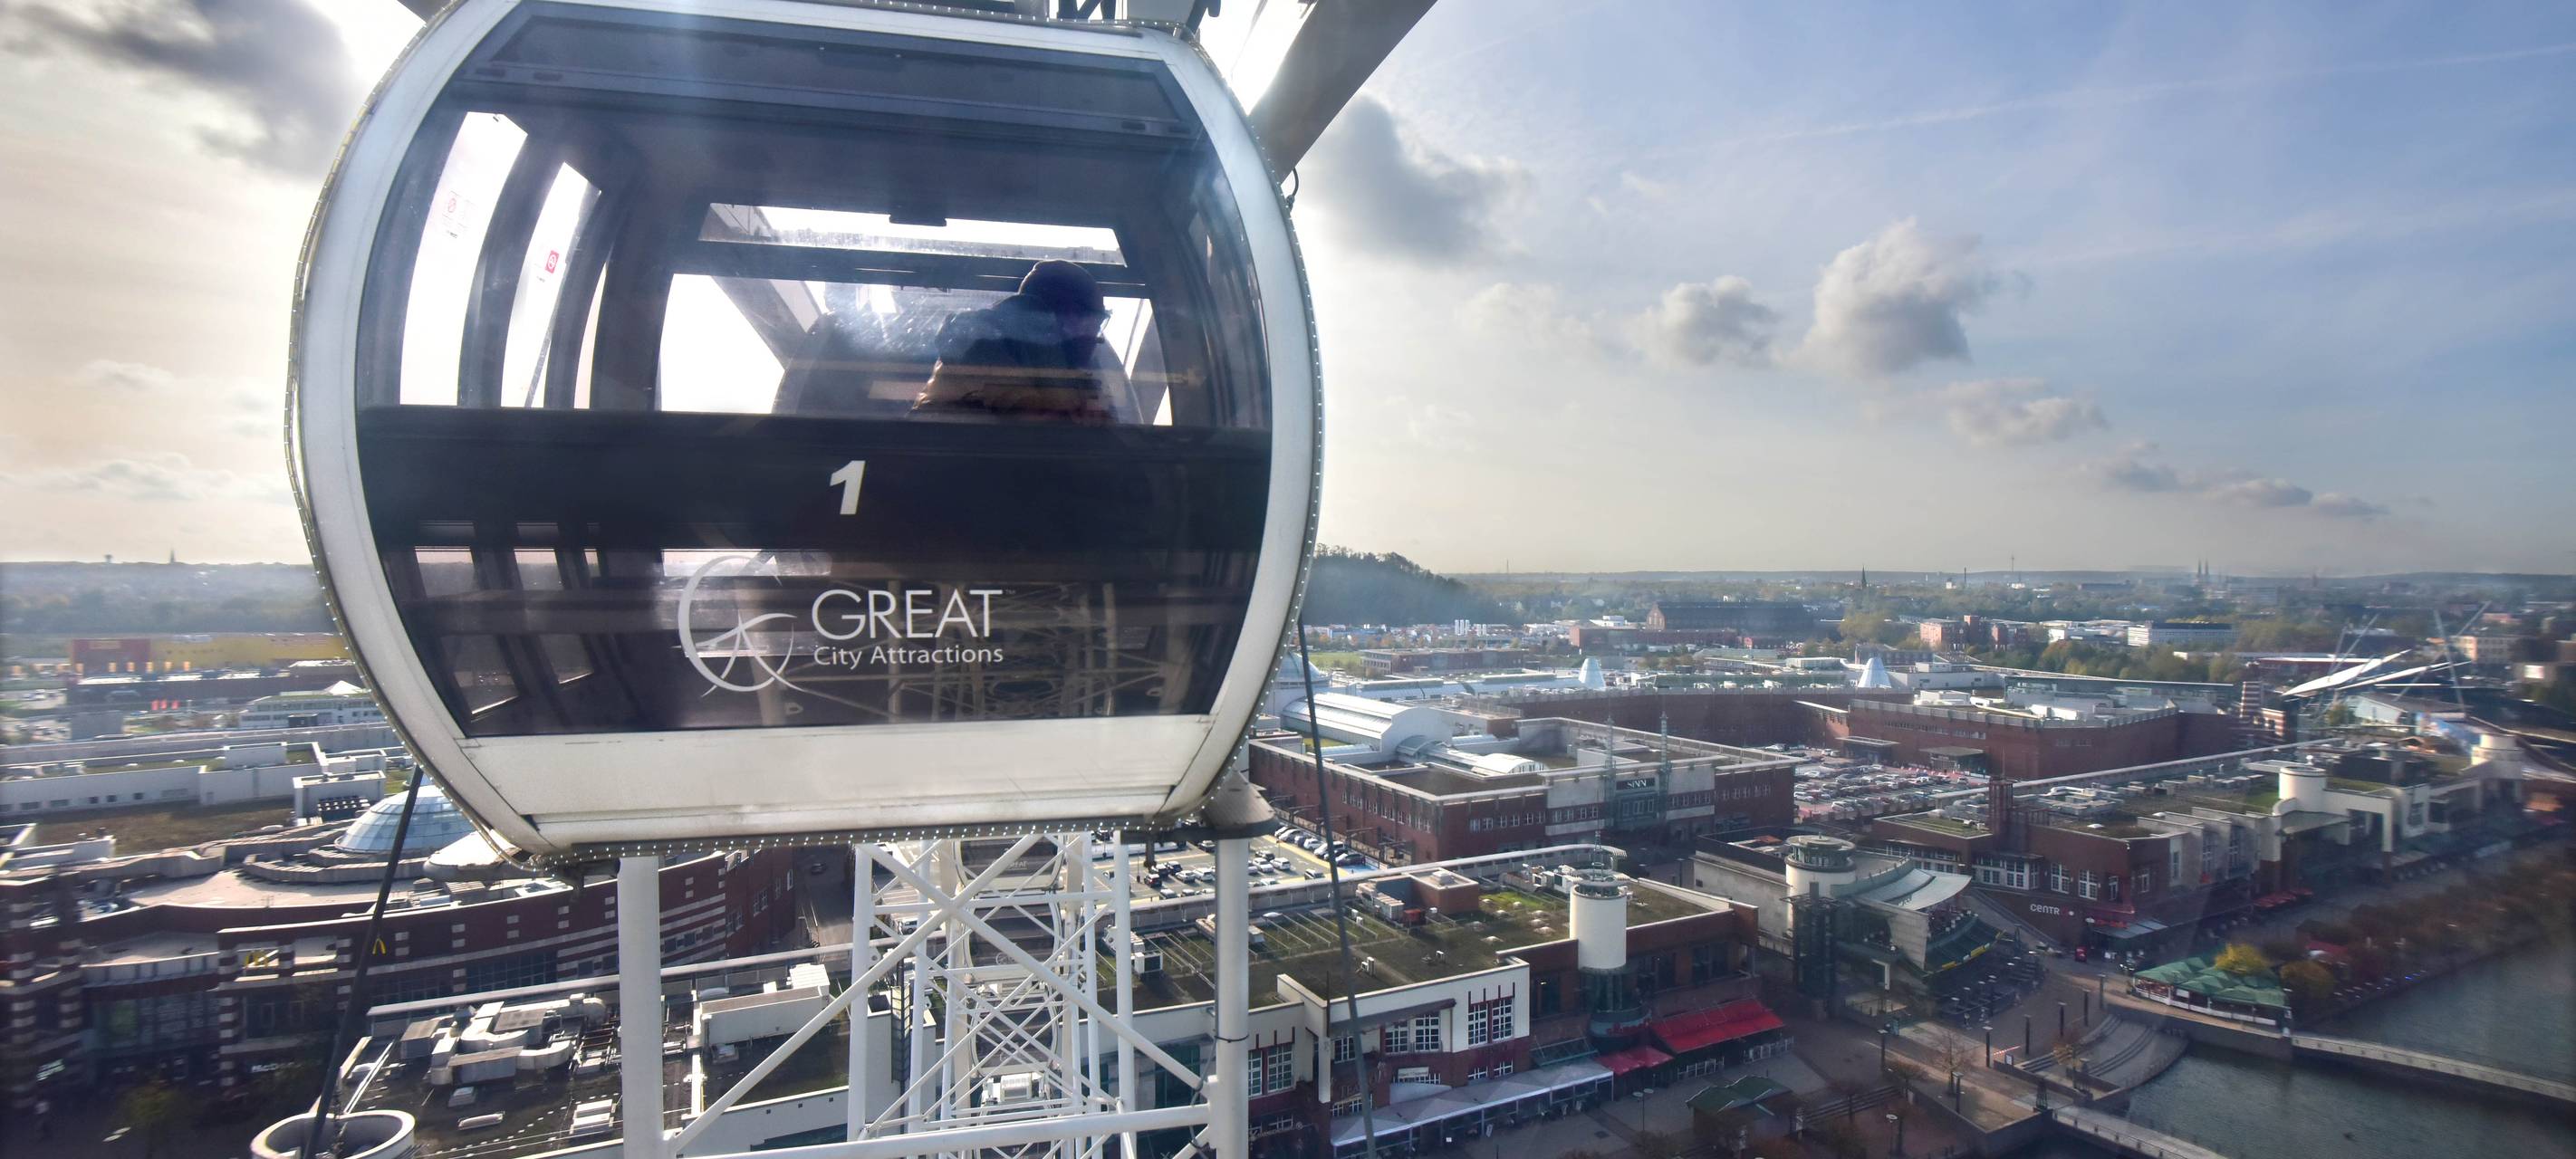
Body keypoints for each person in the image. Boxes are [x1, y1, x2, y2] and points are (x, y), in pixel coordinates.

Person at [912, 259, 1131, 423]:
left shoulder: (1069, 370)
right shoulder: (985, 345)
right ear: (1071, 315)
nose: (1096, 335)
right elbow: (1037, 423)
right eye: (1097, 319)